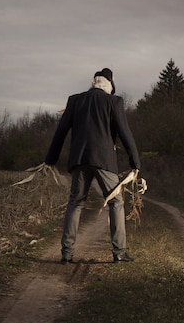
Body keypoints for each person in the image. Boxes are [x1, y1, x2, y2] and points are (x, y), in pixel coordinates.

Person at [44, 68, 141, 264]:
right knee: (116, 202)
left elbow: (61, 131)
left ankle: (67, 254)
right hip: (103, 160)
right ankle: (119, 252)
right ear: (109, 86)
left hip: (79, 160)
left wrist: (50, 159)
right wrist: (135, 162)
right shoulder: (114, 101)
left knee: (75, 203)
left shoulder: (75, 100)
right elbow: (125, 132)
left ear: (94, 83)